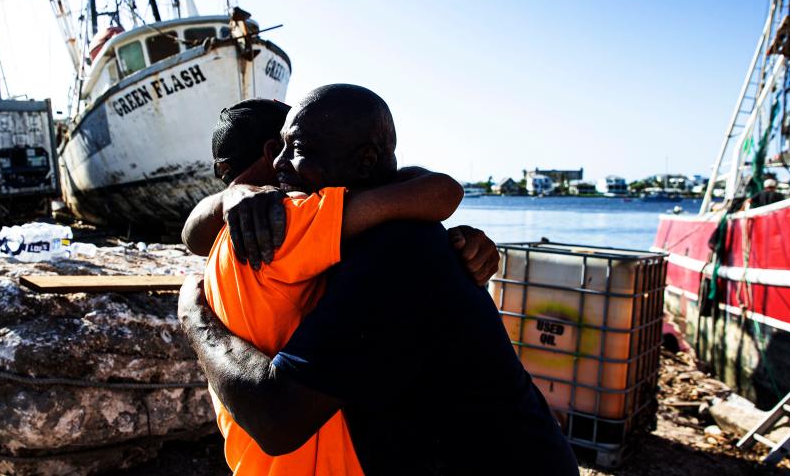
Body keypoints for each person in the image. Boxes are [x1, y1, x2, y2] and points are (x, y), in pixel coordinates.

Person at [179, 84, 579, 475]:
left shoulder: (396, 252)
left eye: (296, 149)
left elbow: (277, 420)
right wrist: (230, 198)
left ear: (365, 162)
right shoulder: (350, 231)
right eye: (278, 148)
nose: (280, 166)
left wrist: (195, 318)